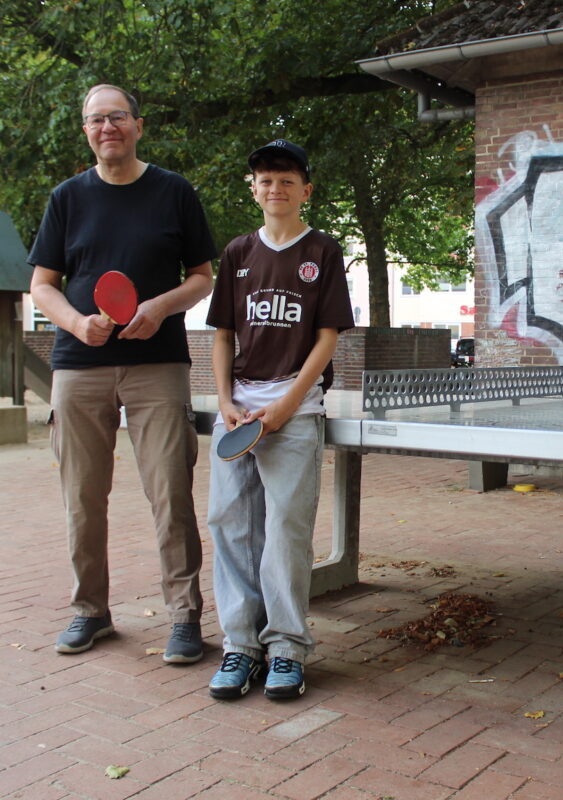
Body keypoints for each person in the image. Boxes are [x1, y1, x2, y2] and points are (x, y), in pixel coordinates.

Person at [28, 84, 217, 663]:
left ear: (138, 124)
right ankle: (90, 612)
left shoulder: (174, 191)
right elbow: (42, 285)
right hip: (78, 366)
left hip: (157, 364)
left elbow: (202, 278)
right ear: (86, 131)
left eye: (116, 116)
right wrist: (74, 322)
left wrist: (159, 307)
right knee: (82, 498)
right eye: (95, 119)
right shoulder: (66, 198)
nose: (106, 127)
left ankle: (184, 617)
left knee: (171, 493)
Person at [205, 139, 353, 700]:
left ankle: (287, 648)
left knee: (286, 529)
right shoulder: (237, 253)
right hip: (239, 412)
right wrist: (224, 400)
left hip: (294, 410)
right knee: (230, 525)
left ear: (305, 190)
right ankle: (241, 646)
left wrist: (289, 403)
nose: (276, 188)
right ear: (254, 190)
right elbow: (223, 336)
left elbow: (327, 337)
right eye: (266, 180)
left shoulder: (323, 250)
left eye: (287, 180)